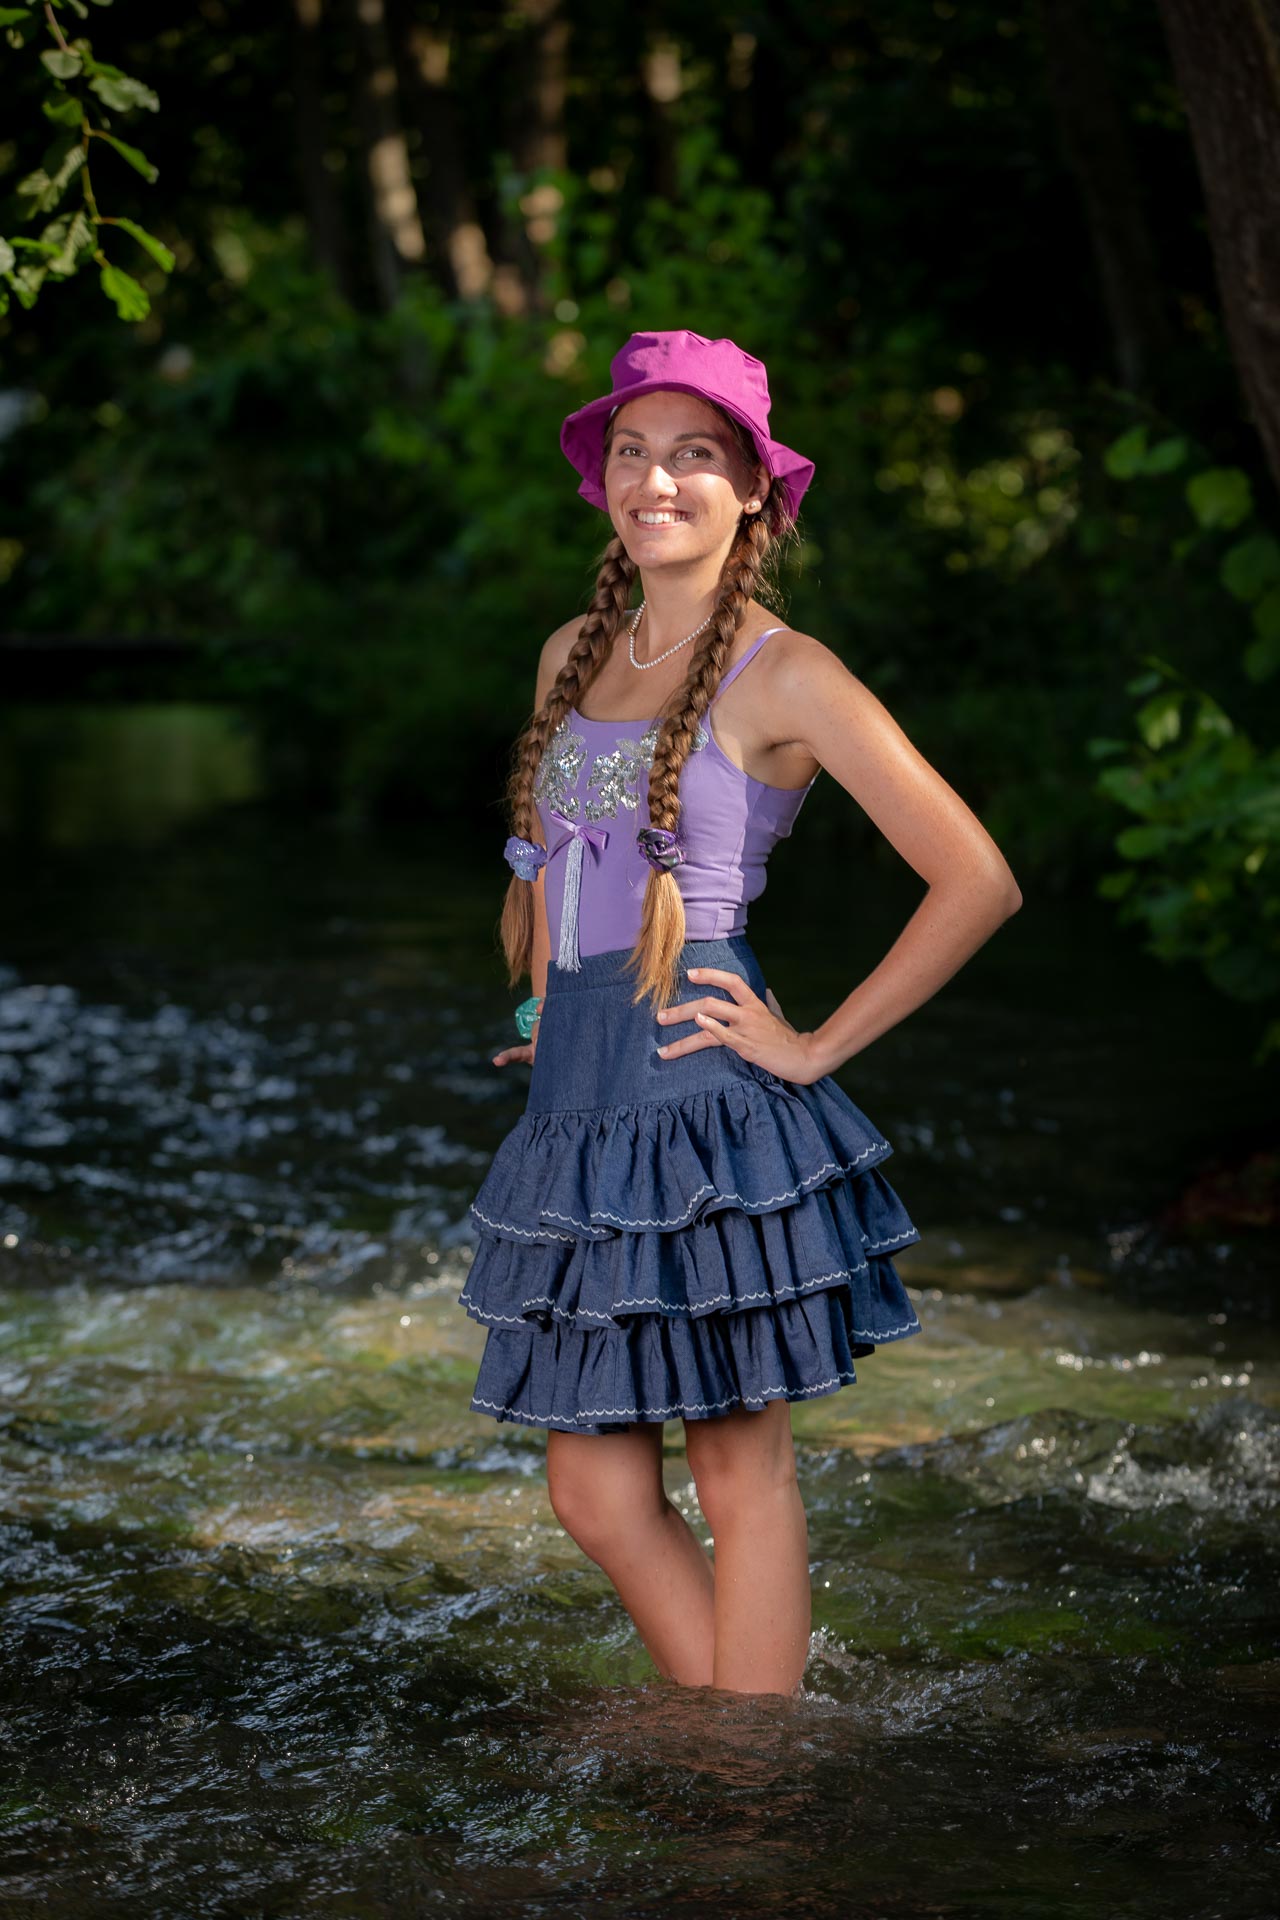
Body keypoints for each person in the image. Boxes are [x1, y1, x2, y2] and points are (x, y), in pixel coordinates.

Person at [457, 329, 1022, 1698]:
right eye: (633, 452)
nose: (656, 480)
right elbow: (557, 867)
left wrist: (813, 1047)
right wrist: (552, 1008)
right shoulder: (569, 652)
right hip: (581, 1094)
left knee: (733, 1465)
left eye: (694, 455)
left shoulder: (787, 673)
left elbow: (978, 879)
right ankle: (736, 1731)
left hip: (703, 1096)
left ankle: (750, 1775)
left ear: (755, 487)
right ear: (603, 479)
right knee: (593, 1487)